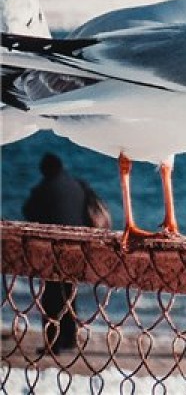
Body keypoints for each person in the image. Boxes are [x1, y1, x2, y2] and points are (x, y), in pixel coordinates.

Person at [22, 152, 112, 355]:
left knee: (51, 298)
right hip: (76, 249)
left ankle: (53, 342)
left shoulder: (44, 188)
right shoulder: (78, 185)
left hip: (52, 251)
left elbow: (28, 211)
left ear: (45, 170)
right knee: (70, 294)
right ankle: (70, 339)